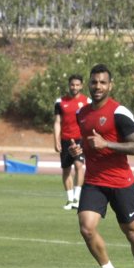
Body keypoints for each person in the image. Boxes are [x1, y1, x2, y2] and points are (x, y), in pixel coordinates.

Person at [68, 64, 134, 268]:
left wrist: (107, 144)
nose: (98, 87)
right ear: (89, 84)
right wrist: (79, 150)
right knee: (86, 227)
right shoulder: (82, 113)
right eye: (94, 82)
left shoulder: (120, 113)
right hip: (94, 181)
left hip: (120, 182)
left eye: (103, 83)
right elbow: (89, 143)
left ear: (110, 85)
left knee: (132, 233)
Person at [54, 73, 88, 211]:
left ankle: (77, 198)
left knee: (79, 165)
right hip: (65, 140)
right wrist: (56, 140)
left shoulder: (88, 102)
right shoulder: (60, 102)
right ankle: (69, 199)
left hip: (80, 139)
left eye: (77, 85)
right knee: (66, 169)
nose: (74, 87)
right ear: (69, 85)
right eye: (72, 85)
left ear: (81, 86)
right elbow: (57, 122)